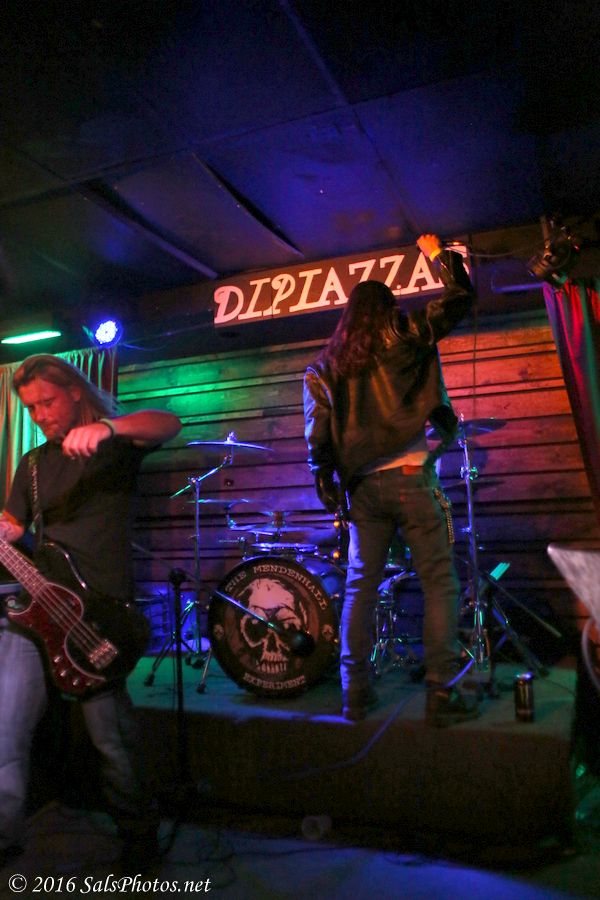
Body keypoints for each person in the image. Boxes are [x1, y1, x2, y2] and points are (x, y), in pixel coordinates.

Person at [0, 353, 181, 870]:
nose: (40, 415)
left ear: (75, 390)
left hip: (95, 615)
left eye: (47, 402)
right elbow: (15, 525)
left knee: (112, 741)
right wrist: (7, 531)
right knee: (6, 729)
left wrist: (107, 428)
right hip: (36, 607)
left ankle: (138, 838)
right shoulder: (32, 464)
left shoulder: (114, 445)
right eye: (30, 408)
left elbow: (168, 422)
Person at [303, 234, 478, 726]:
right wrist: (437, 255)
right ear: (389, 309)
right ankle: (440, 693)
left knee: (360, 586)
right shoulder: (405, 334)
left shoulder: (323, 367)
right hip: (410, 477)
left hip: (364, 490)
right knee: (438, 582)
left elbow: (317, 437)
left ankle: (354, 694)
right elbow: (459, 297)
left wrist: (327, 482)